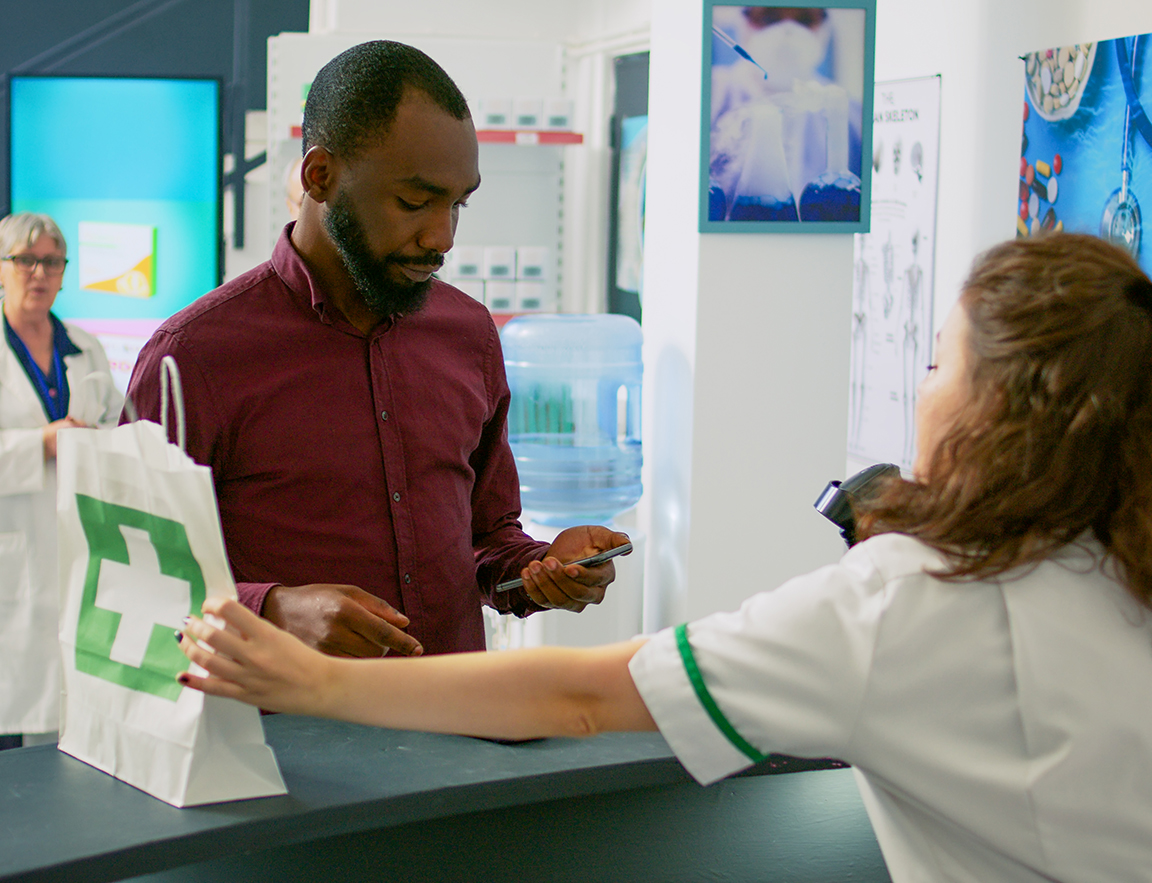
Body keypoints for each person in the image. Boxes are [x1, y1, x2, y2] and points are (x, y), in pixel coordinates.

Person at [178, 233, 1152, 881]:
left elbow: (584, 694)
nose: (924, 387)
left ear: (997, 410)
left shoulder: (900, 605)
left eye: (940, 361)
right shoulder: (200, 350)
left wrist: (318, 683)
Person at [126, 41, 628, 661]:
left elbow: (485, 539)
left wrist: (539, 569)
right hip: (277, 746)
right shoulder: (192, 357)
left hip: (454, 730)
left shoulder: (468, 334)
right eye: (415, 202)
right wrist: (273, 609)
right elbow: (130, 581)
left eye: (458, 203)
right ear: (320, 176)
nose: (442, 236)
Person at [0, 212, 123, 750]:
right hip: (15, 543)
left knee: (74, 714)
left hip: (78, 542)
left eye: (51, 262)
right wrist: (40, 443)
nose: (38, 273)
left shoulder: (83, 346)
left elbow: (119, 420)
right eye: (25, 261)